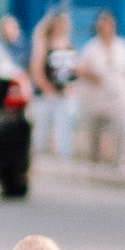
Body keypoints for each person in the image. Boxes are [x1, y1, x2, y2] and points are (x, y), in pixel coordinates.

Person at [72, 9, 125, 167]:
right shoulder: (90, 47)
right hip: (95, 98)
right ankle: (93, 163)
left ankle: (121, 163)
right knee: (93, 133)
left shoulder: (122, 46)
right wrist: (91, 74)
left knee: (123, 129)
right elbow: (79, 69)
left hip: (118, 98)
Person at [29, 9, 79, 160]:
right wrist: (46, 88)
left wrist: (71, 87)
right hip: (46, 95)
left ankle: (65, 158)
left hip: (63, 95)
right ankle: (38, 158)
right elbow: (36, 69)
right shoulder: (44, 43)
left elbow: (71, 71)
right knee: (41, 130)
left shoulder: (68, 44)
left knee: (65, 129)